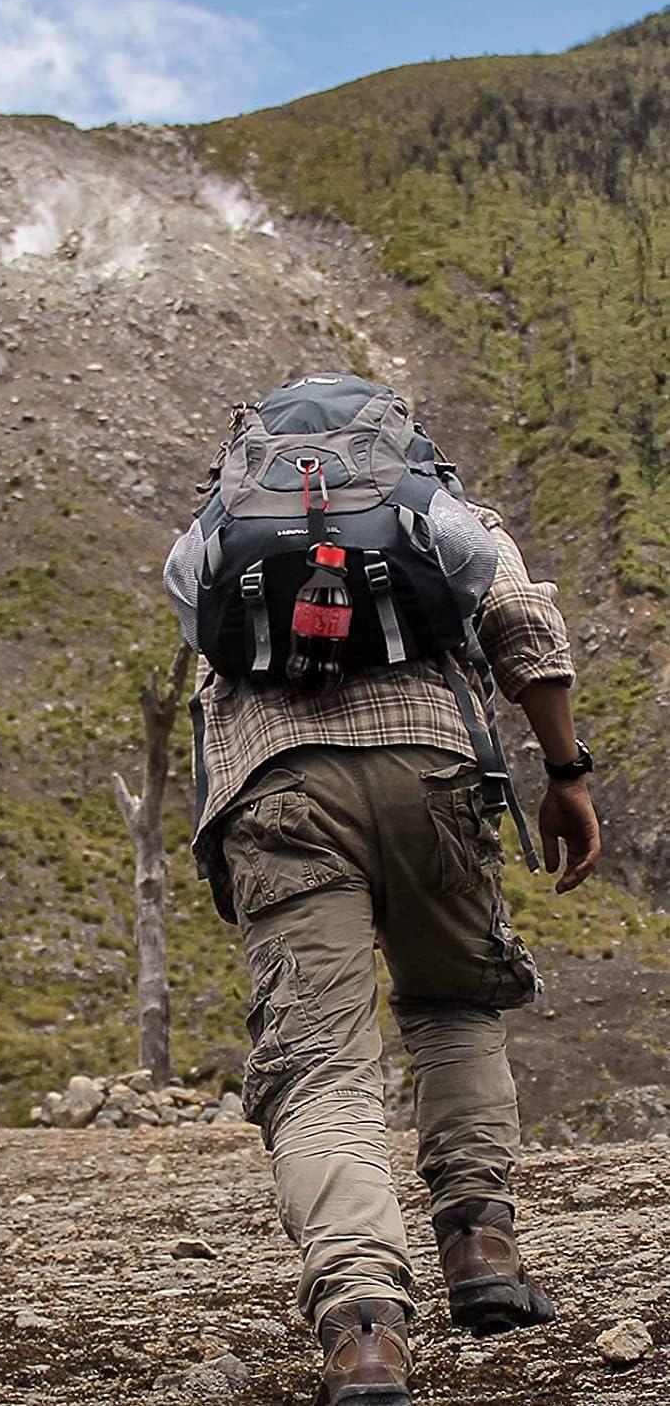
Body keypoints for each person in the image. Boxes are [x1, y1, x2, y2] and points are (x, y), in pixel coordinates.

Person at [164, 375, 601, 1405]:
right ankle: (482, 1249)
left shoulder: (222, 524)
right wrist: (566, 773)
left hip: (276, 788)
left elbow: (204, 646)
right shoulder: (431, 506)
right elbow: (518, 619)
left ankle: (365, 1325)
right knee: (454, 1003)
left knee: (320, 1065)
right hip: (435, 768)